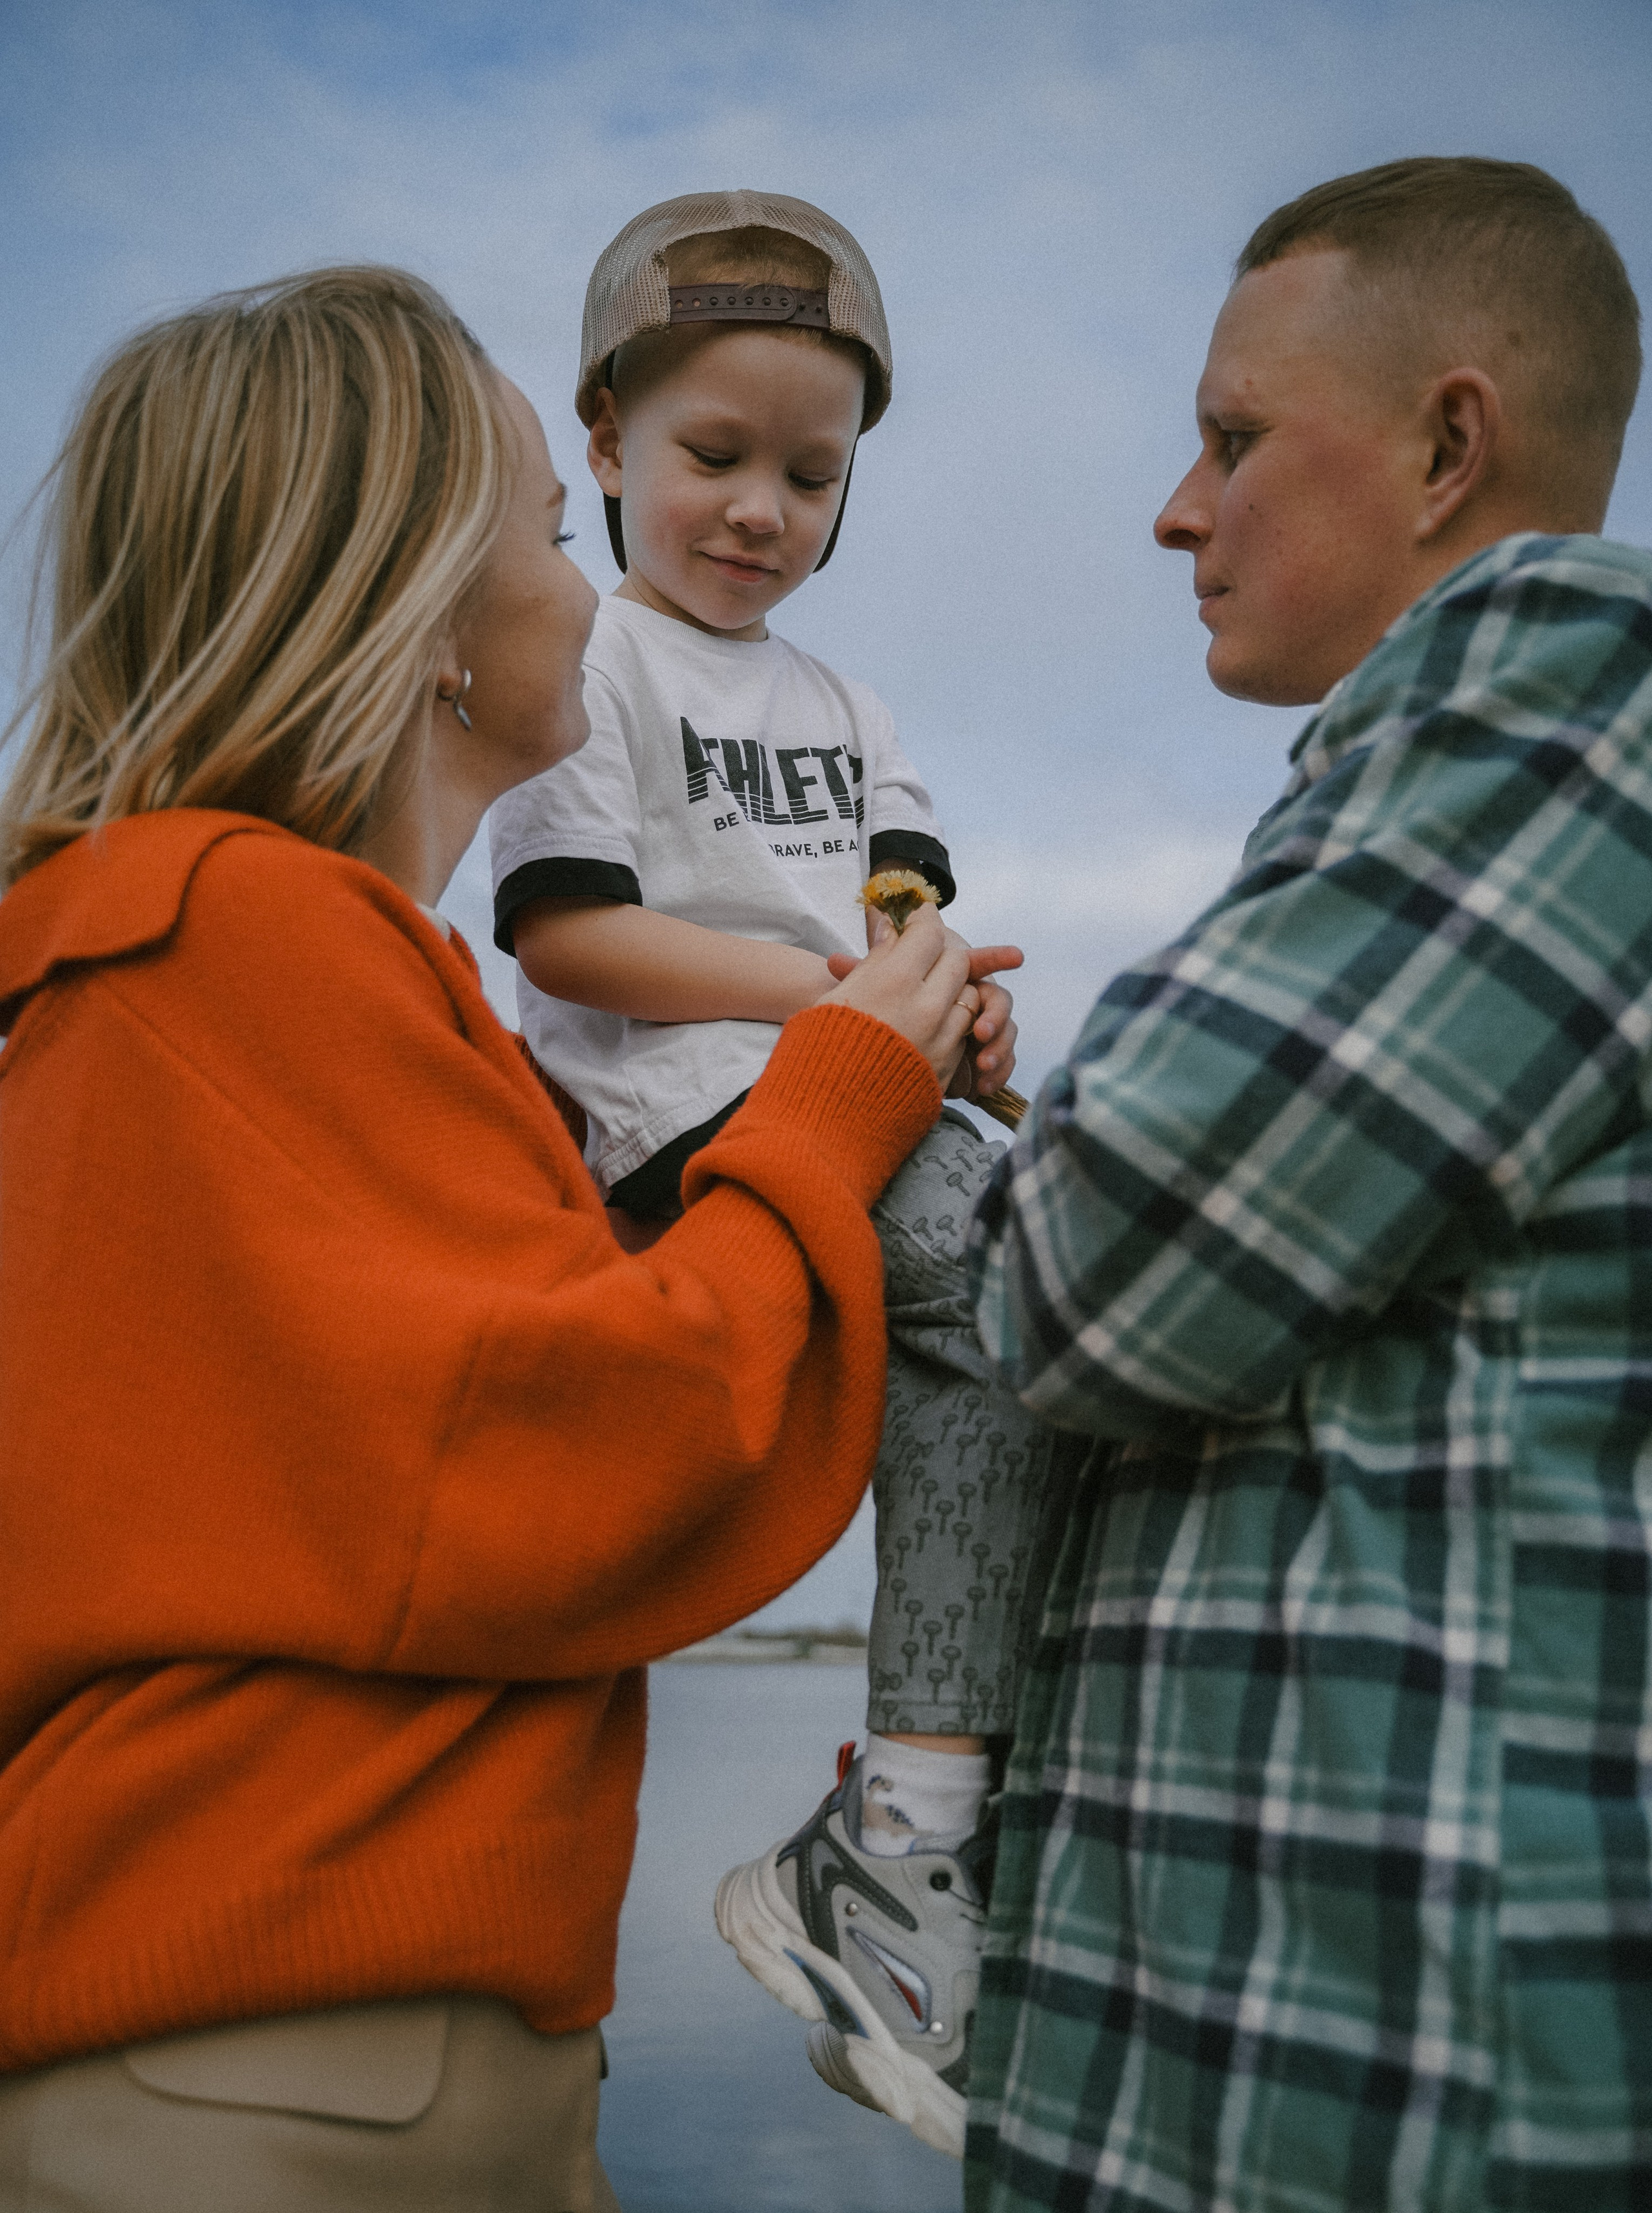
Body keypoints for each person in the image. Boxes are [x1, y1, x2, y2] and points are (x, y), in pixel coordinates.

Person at [0, 263, 987, 2212]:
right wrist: (843, 1096)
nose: (584, 587)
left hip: (343, 2050)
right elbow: (589, 1450)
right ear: (426, 612)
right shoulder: (245, 933)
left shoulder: (206, 967)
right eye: (553, 525)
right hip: (283, 2065)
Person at [963, 156, 1649, 2213]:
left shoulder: (1571, 700)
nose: (1181, 508)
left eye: (1235, 439)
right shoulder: (1432, 766)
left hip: (1394, 2090)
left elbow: (1097, 1269)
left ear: (1452, 445)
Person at [486, 188, 1070, 2159]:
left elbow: (913, 923)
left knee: (1054, 1281)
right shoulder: (602, 662)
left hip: (854, 1081)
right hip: (685, 1116)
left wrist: (959, 1026)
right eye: (712, 457)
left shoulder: (852, 711)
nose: (759, 509)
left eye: (810, 476)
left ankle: (953, 1793)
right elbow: (569, 934)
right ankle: (900, 1845)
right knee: (995, 1275)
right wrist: (848, 1001)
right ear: (605, 445)